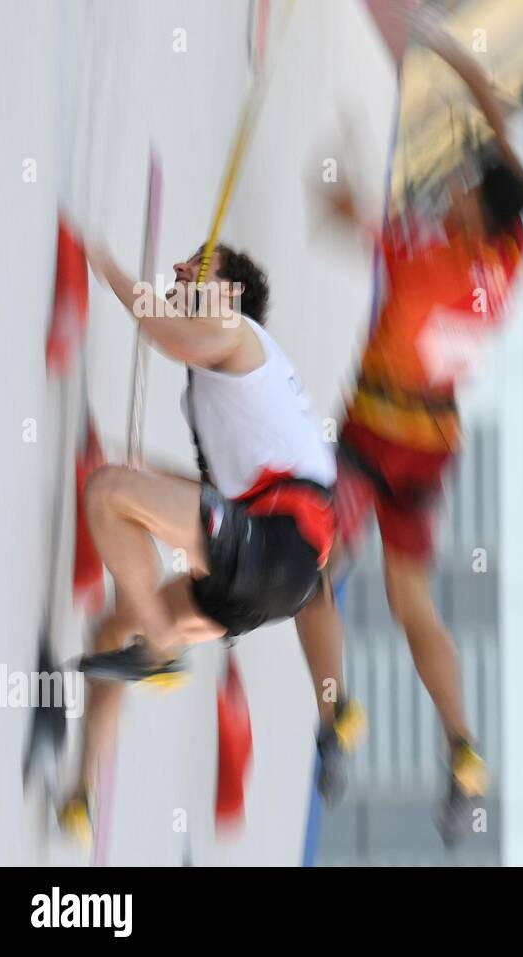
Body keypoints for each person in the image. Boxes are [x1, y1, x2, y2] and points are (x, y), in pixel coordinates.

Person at [294, 10, 523, 842]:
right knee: (413, 604)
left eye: (467, 187)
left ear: (477, 215)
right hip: (429, 451)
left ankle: (337, 722)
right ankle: (463, 748)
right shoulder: (505, 263)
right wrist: (456, 59)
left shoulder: (426, 261)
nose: (459, 182)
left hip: (374, 437)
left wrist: (334, 195)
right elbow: (500, 145)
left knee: (311, 572)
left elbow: (353, 221)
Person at [58, 242, 350, 843]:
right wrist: (146, 476)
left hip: (278, 544)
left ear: (228, 292)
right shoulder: (221, 391)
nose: (182, 271)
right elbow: (214, 502)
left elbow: (164, 332)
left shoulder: (235, 329)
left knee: (107, 493)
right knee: (117, 629)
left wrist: (102, 259)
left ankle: (163, 649)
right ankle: (83, 792)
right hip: (276, 575)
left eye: (200, 265)